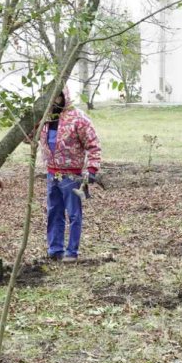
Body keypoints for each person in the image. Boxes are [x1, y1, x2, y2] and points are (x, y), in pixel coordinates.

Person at [35, 86, 102, 261]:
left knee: (73, 213)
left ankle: (72, 252)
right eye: (50, 99)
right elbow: (30, 136)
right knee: (53, 212)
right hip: (52, 174)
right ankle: (55, 249)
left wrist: (92, 169)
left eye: (56, 98)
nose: (53, 102)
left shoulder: (78, 118)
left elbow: (93, 144)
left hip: (71, 176)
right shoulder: (45, 119)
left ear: (64, 97)